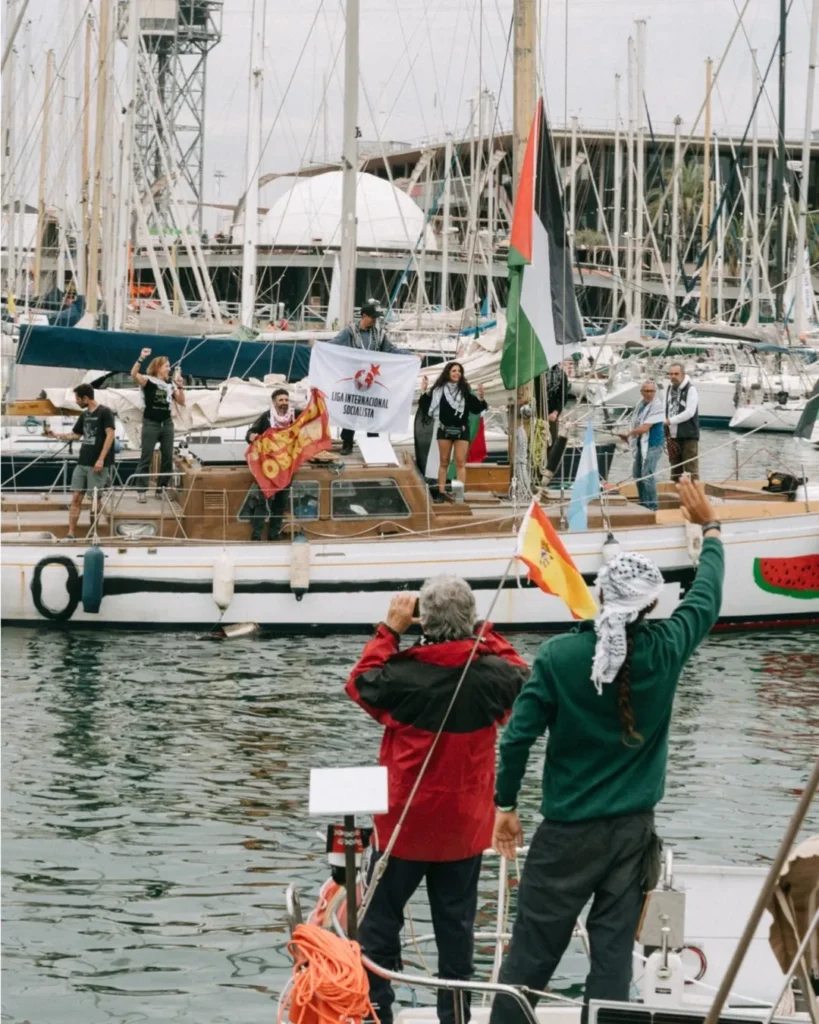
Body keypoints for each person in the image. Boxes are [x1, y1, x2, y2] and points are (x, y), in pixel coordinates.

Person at [488, 477, 724, 1024]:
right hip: (631, 833)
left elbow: (518, 737)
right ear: (651, 604)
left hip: (566, 835)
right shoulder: (666, 649)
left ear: (601, 596)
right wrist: (710, 529)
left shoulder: (557, 658)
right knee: (613, 963)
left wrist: (505, 807)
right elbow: (706, 597)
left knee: (528, 960)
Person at [346, 576, 529, 1024]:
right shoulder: (494, 677)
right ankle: (456, 1018)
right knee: (456, 936)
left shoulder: (403, 675)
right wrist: (482, 631)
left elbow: (360, 683)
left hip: (403, 829)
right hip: (463, 832)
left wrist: (389, 629)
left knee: (378, 927)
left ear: (422, 620)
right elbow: (523, 674)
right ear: (469, 620)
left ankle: (378, 1014)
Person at [331, 300, 405, 456]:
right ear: (364, 315)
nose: (375, 320)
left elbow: (391, 350)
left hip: (372, 380)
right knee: (351, 410)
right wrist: (319, 348)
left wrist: (411, 357)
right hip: (353, 380)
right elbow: (333, 345)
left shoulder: (379, 335)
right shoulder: (349, 332)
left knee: (372, 412)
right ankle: (347, 442)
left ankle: (373, 443)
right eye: (373, 317)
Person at [45, 384, 116, 541]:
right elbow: (76, 435)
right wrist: (56, 435)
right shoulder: (84, 416)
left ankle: (93, 533)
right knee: (76, 497)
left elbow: (110, 435)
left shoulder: (105, 412)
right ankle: (71, 533)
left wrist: (101, 459)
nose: (76, 402)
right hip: (82, 461)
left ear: (86, 398)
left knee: (94, 500)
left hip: (97, 464)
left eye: (78, 399)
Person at [419, 362, 487, 503]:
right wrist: (424, 390)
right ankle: (441, 493)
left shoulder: (465, 391)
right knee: (443, 462)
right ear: (448, 373)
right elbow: (427, 405)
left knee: (460, 462)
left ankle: (459, 495)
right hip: (444, 431)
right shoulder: (439, 390)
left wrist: (481, 397)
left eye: (459, 371)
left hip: (462, 431)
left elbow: (476, 408)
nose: (457, 373)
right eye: (454, 370)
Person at [244, 388, 301, 542]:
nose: (284, 403)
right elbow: (249, 433)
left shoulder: (294, 415)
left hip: (286, 466)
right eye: (281, 400)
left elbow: (310, 415)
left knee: (281, 503)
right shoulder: (267, 417)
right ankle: (256, 535)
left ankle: (273, 535)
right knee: (263, 502)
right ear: (274, 402)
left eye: (286, 400)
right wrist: (252, 436)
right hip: (268, 467)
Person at [131, 347, 185, 502]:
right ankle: (141, 490)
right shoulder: (148, 381)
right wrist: (141, 358)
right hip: (151, 422)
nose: (169, 368)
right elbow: (133, 374)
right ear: (158, 368)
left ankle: (161, 488)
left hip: (166, 423)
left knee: (167, 457)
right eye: (167, 366)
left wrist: (180, 387)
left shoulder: (170, 385)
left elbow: (181, 402)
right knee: (146, 456)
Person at [619, 380, 665, 511]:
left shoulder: (657, 406)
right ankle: (644, 502)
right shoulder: (640, 405)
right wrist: (630, 434)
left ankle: (652, 506)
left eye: (652, 391)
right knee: (637, 474)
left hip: (653, 445)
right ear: (641, 392)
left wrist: (629, 434)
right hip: (641, 444)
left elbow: (645, 428)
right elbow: (635, 423)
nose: (650, 394)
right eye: (647, 391)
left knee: (647, 474)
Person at [665, 362, 700, 481]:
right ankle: (675, 496)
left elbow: (690, 412)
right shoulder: (670, 389)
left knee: (691, 470)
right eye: (671, 374)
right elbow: (668, 408)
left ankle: (695, 496)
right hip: (673, 437)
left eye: (676, 373)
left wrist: (670, 421)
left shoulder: (691, 389)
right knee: (675, 471)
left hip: (688, 436)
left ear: (683, 374)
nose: (673, 376)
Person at [546, 359, 571, 445]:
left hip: (551, 415)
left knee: (551, 442)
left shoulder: (561, 375)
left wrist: (555, 412)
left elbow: (563, 397)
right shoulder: (536, 375)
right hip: (536, 413)